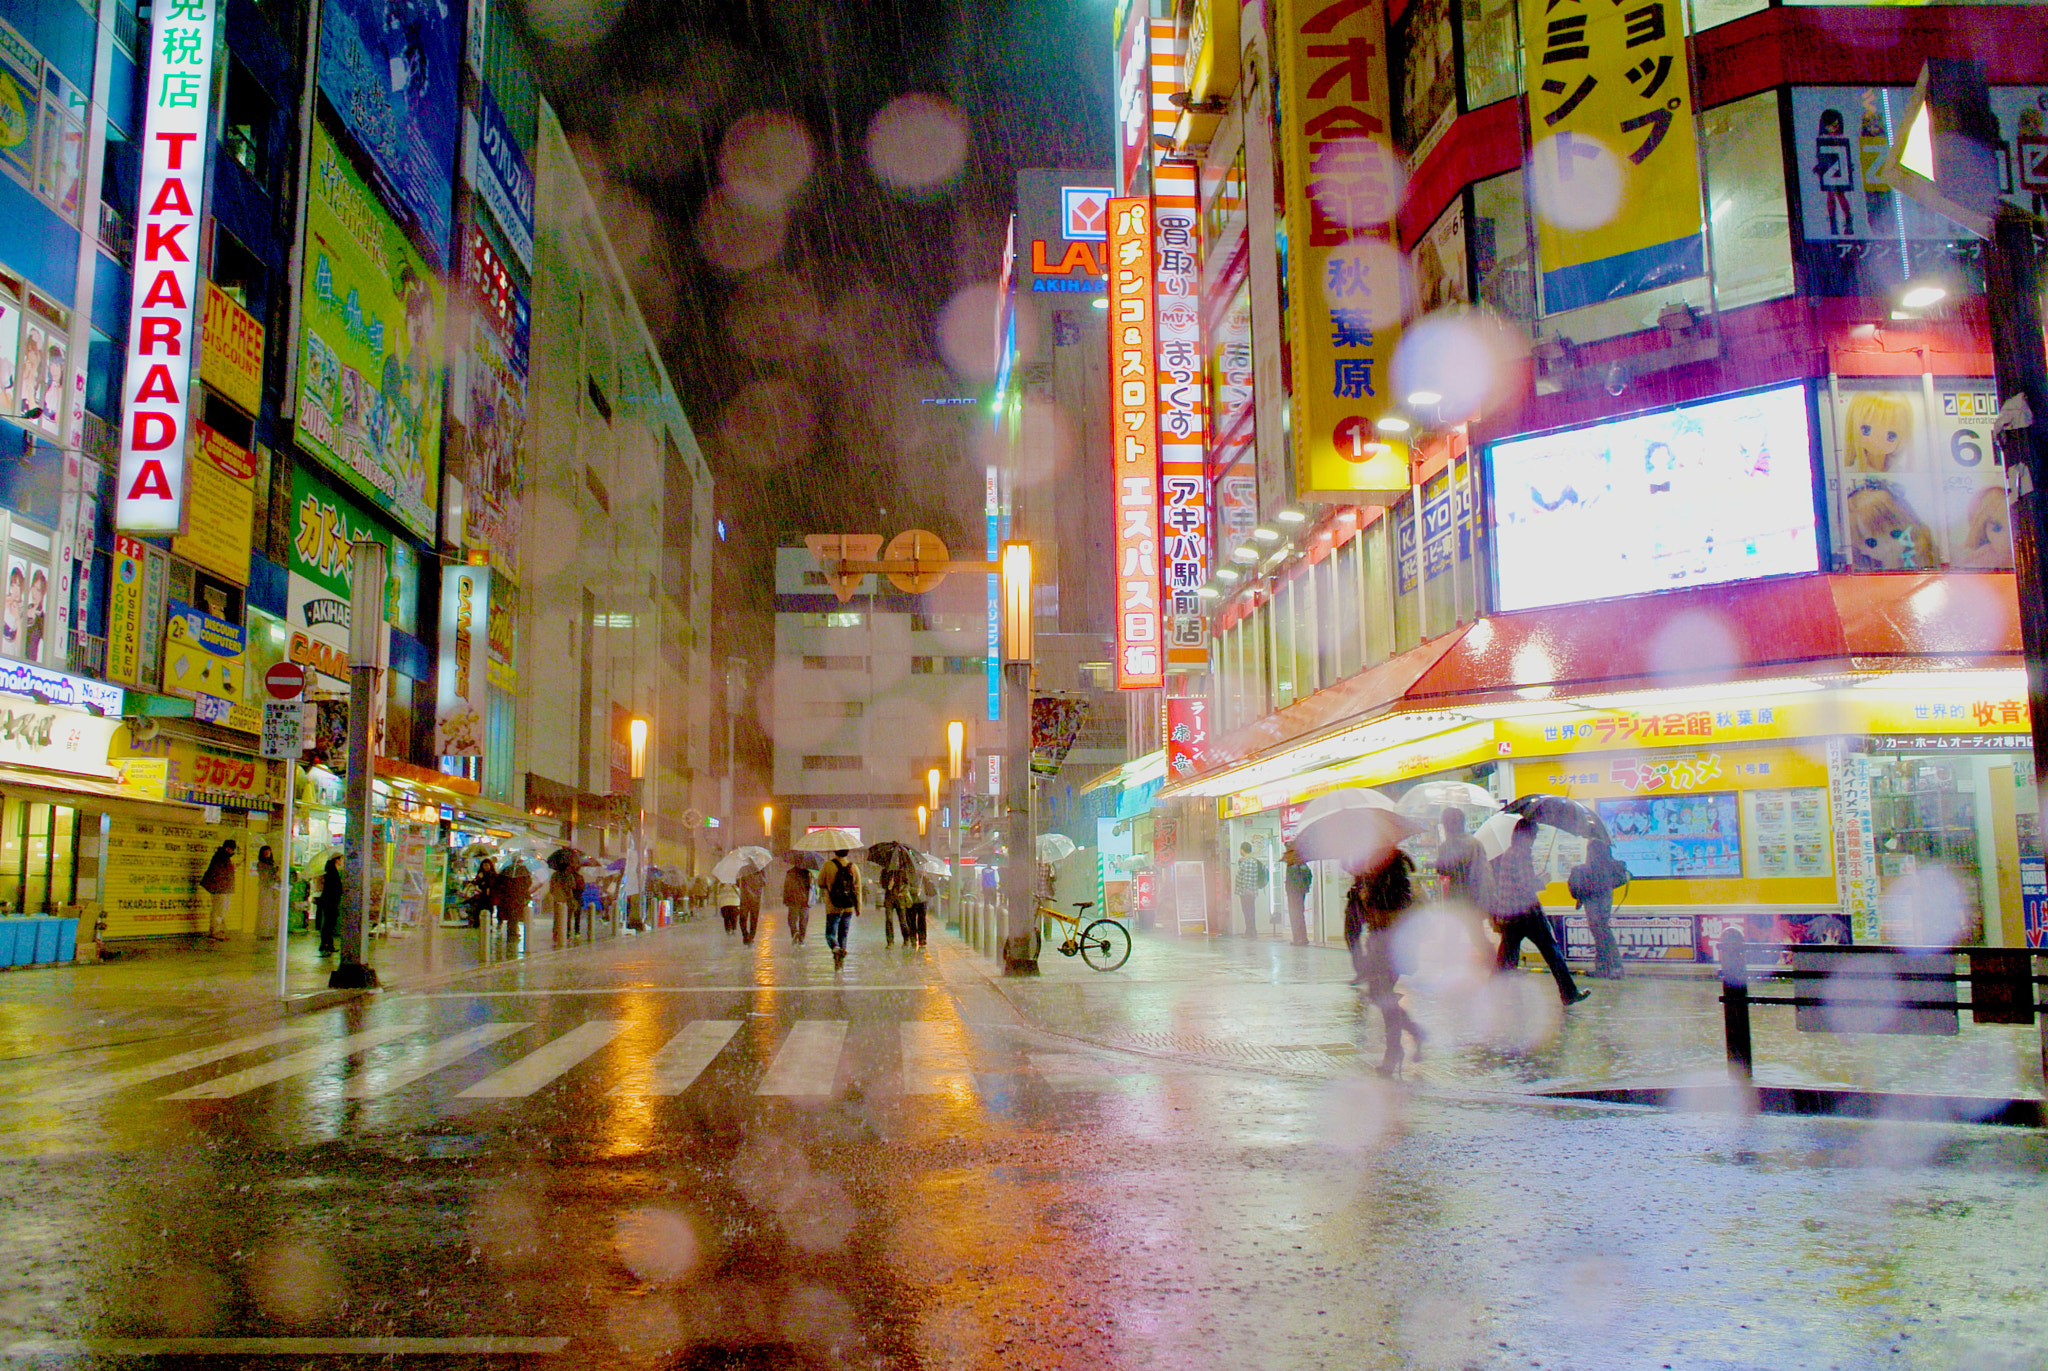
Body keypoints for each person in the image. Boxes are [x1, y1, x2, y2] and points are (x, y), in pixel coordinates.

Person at [1489, 820, 1589, 1007]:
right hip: (1527, 913)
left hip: (1510, 914)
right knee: (1552, 952)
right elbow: (1526, 886)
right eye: (1533, 836)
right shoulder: (1521, 854)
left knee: (1506, 959)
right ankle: (1569, 993)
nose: (1534, 840)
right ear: (1526, 835)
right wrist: (1544, 879)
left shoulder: (1510, 853)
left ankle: (1491, 996)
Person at [1347, 849, 1426, 1076]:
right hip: (1380, 944)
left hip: (1391, 946)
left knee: (1383, 996)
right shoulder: (1374, 875)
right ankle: (1413, 1035)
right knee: (1381, 995)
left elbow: (1389, 912)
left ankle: (1394, 1051)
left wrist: (1368, 898)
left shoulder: (1391, 877)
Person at [1568, 837, 1631, 979]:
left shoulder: (1594, 847)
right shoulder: (1605, 851)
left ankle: (1615, 967)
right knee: (1600, 932)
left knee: (1601, 930)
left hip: (1594, 899)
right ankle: (1603, 967)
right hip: (1604, 896)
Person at [818, 848, 860, 969]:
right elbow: (857, 889)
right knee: (843, 934)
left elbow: (820, 882)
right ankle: (840, 958)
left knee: (830, 934)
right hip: (848, 907)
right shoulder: (853, 867)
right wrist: (858, 907)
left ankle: (835, 949)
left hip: (833, 906)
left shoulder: (828, 865)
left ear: (835, 852)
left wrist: (829, 885)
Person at [199, 839, 237, 942]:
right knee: (218, 910)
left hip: (224, 888)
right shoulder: (221, 857)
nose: (232, 851)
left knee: (222, 910)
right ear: (227, 848)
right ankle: (215, 932)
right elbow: (218, 873)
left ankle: (219, 931)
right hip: (220, 888)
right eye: (231, 849)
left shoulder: (224, 857)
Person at [495, 859, 533, 948]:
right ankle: (512, 933)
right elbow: (528, 883)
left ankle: (512, 932)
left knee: (512, 916)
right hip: (517, 897)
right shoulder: (523, 871)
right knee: (514, 915)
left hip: (508, 897)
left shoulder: (506, 871)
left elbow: (499, 883)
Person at [1233, 842, 1268, 937]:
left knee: (1248, 912)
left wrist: (1244, 890)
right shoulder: (1253, 861)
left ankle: (1250, 932)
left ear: (1242, 850)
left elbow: (1245, 878)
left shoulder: (1247, 862)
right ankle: (1252, 931)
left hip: (1246, 892)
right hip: (1252, 891)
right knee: (1251, 912)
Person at [1283, 845, 1313, 946]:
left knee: (1295, 915)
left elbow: (1293, 882)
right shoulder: (1302, 864)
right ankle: (1301, 938)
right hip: (1300, 892)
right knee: (1299, 915)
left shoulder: (1293, 866)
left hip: (1294, 893)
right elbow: (1309, 877)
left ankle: (1299, 938)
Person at [315, 854, 343, 955]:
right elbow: (334, 887)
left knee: (329, 923)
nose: (342, 861)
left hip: (329, 900)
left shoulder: (331, 870)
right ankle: (325, 944)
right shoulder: (332, 872)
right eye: (341, 859)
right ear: (336, 860)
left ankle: (327, 944)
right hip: (331, 900)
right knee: (329, 923)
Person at [254, 845, 281, 938]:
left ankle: (269, 931)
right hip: (265, 888)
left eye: (268, 852)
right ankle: (263, 932)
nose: (266, 854)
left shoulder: (272, 863)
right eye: (264, 852)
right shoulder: (261, 864)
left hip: (273, 888)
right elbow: (265, 876)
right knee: (264, 910)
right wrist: (273, 873)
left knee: (272, 911)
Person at [782, 861, 813, 944]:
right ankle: (801, 939)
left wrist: (785, 900)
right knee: (803, 920)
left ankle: (795, 933)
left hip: (793, 900)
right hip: (804, 900)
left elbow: (786, 888)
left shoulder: (790, 873)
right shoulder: (807, 873)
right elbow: (811, 888)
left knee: (792, 920)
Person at [736, 862, 766, 944]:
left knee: (745, 918)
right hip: (753, 898)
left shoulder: (744, 869)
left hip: (747, 898)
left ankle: (747, 936)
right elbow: (764, 883)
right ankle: (749, 936)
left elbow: (737, 883)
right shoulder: (759, 869)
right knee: (752, 918)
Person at [465, 857, 498, 928]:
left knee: (489, 910)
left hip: (490, 896)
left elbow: (495, 884)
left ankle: (488, 924)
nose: (486, 867)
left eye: (487, 865)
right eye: (484, 865)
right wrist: (479, 879)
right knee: (479, 909)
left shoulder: (493, 875)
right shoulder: (480, 874)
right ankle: (477, 924)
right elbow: (476, 883)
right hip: (480, 896)